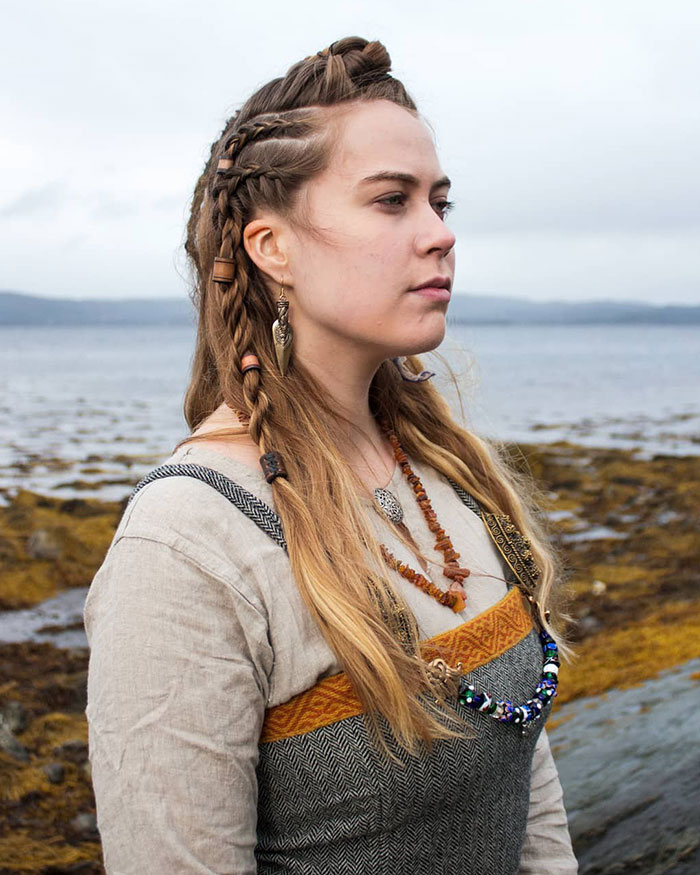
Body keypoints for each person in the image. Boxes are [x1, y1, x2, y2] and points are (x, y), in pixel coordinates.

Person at [83, 36, 578, 874]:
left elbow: (523, 777)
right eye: (391, 201)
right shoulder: (186, 546)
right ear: (271, 247)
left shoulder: (447, 475)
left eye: (440, 203)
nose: (438, 235)